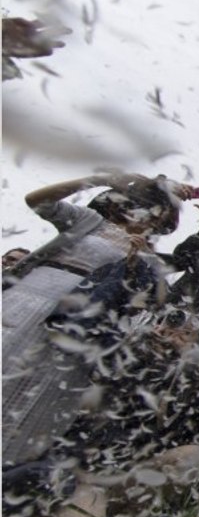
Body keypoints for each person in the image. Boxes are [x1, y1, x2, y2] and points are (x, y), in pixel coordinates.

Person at [3, 173, 189, 467]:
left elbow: (141, 306)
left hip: (77, 325)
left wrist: (134, 265)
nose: (154, 219)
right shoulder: (90, 221)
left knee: (36, 392)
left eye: (162, 217)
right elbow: (37, 201)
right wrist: (97, 178)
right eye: (155, 209)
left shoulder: (149, 256)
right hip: (30, 300)